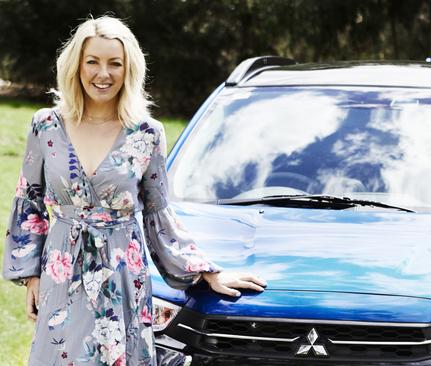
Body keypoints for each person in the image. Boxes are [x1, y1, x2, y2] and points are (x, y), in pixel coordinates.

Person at [2, 16, 266, 365]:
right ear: (76, 66)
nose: (103, 74)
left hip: (123, 276)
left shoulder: (146, 133)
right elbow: (29, 203)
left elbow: (159, 214)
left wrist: (207, 271)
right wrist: (32, 276)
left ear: (129, 69)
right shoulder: (46, 126)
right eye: (92, 61)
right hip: (61, 274)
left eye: (115, 63)